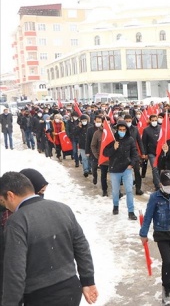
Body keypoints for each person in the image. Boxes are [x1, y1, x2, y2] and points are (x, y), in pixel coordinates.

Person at [0, 171, 98, 306]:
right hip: (70, 289)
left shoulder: (17, 221)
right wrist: (88, 281)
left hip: (39, 296)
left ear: (10, 195)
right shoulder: (63, 208)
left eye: (3, 201)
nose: (5, 206)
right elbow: (81, 246)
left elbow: (15, 270)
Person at [140, 170, 170, 306]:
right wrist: (143, 233)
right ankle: (166, 289)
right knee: (168, 262)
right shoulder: (155, 197)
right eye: (167, 184)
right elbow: (148, 216)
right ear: (161, 184)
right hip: (161, 234)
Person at [103, 120, 139, 220]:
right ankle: (115, 206)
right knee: (115, 191)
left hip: (126, 169)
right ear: (117, 130)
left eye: (124, 129)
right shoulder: (112, 139)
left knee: (129, 190)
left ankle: (131, 211)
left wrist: (131, 164)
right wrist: (113, 148)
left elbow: (134, 153)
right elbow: (105, 153)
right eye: (120, 129)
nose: (122, 131)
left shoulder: (130, 139)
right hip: (114, 169)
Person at [90, 116, 110, 196]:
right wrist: (97, 156)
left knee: (115, 176)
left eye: (108, 123)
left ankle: (117, 191)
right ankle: (104, 190)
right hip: (102, 159)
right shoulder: (97, 133)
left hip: (112, 159)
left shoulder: (113, 132)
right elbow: (93, 145)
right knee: (103, 175)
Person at [142, 114, 162, 190]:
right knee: (155, 168)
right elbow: (144, 142)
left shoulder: (161, 128)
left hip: (160, 151)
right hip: (151, 152)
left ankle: (156, 180)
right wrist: (145, 153)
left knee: (159, 168)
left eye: (155, 120)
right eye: (152, 120)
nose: (154, 122)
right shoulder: (146, 130)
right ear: (150, 121)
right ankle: (158, 186)